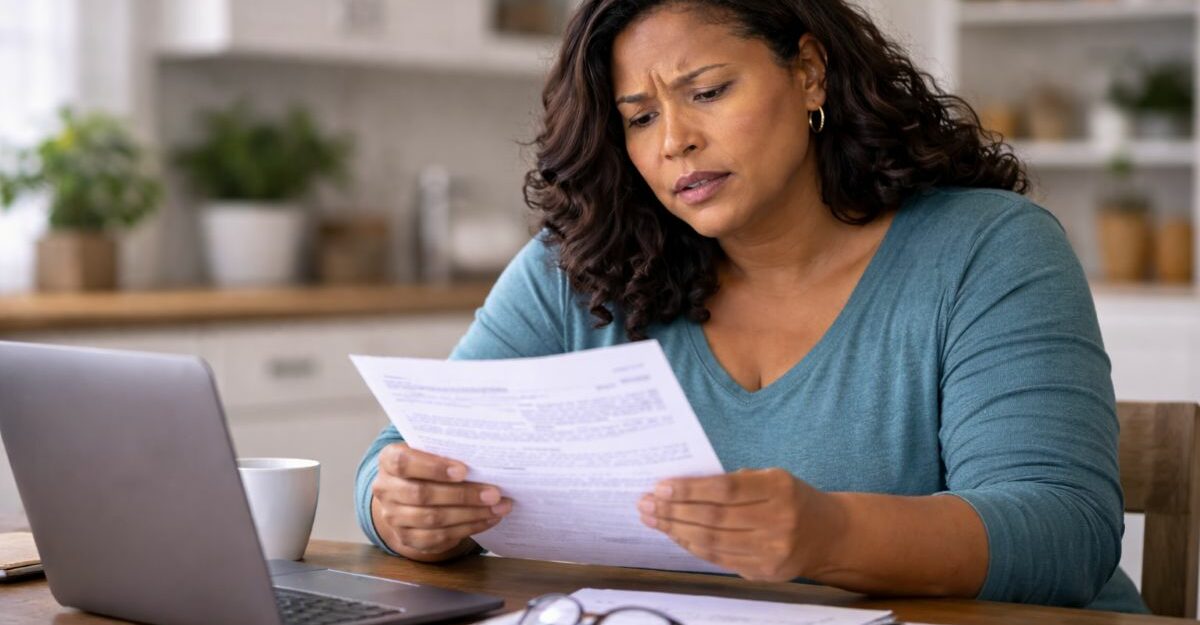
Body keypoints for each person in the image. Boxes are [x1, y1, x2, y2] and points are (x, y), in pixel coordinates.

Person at [356, 0, 1146, 613]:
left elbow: (1063, 530)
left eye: (707, 91)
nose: (674, 142)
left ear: (809, 72)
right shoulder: (580, 266)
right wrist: (401, 510)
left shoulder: (988, 249)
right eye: (639, 117)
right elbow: (401, 453)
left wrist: (831, 534)